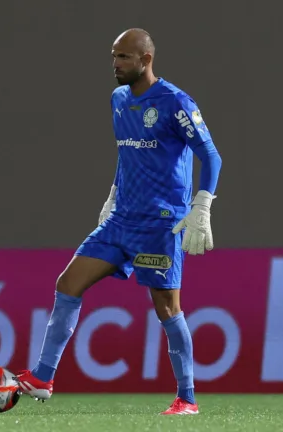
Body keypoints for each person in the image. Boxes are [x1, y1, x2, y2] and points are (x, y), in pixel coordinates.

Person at [15, 28, 222, 416]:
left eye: (123, 57)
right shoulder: (118, 100)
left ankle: (187, 398)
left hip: (159, 224)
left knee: (166, 308)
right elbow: (128, 156)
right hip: (121, 219)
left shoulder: (175, 102)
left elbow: (211, 156)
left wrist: (202, 206)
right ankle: (43, 377)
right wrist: (112, 195)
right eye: (113, 56)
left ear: (146, 59)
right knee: (67, 283)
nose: (115, 64)